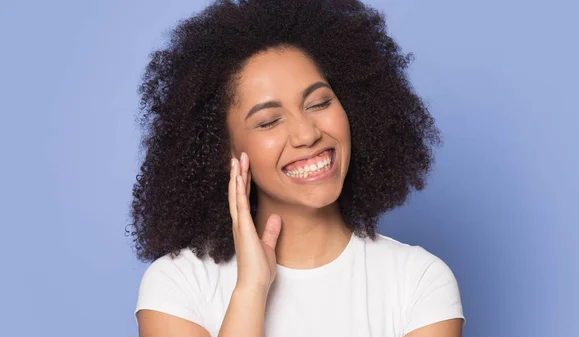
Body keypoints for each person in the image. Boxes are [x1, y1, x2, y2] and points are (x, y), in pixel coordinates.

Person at [129, 0, 465, 336]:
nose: (307, 134)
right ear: (223, 149)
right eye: (269, 121)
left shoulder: (419, 281)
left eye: (319, 103)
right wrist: (251, 288)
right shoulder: (178, 285)